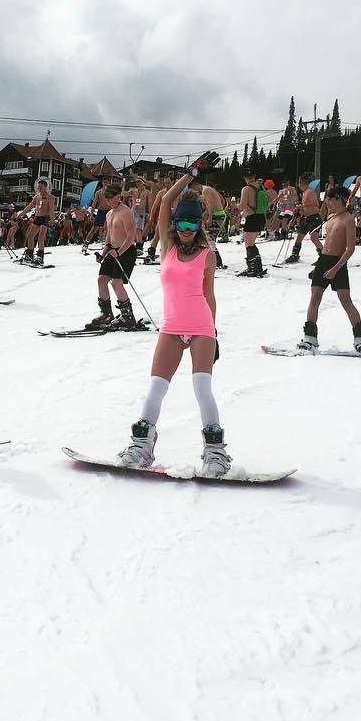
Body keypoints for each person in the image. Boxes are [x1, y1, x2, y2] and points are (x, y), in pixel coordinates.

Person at [117, 152, 232, 477]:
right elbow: (167, 198)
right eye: (180, 222)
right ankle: (142, 446)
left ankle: (215, 452)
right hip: (171, 327)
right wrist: (192, 172)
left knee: (201, 388)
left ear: (200, 224)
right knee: (155, 387)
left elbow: (210, 297)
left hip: (200, 327)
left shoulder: (207, 255)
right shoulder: (167, 246)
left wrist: (214, 332)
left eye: (191, 223)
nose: (184, 229)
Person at [297, 187, 361, 352]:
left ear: (339, 200)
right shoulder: (330, 217)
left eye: (330, 199)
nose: (327, 203)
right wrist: (319, 259)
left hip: (338, 262)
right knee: (315, 297)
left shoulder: (348, 219)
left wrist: (335, 269)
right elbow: (326, 244)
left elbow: (350, 249)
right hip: (324, 260)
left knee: (346, 301)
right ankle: (310, 338)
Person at [88, 184, 140, 329]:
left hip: (126, 251)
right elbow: (109, 237)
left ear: (118, 197)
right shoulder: (109, 213)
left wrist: (119, 252)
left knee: (116, 282)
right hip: (112, 251)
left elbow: (131, 237)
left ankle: (128, 317)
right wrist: (103, 253)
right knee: (101, 280)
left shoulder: (126, 212)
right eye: (106, 199)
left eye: (110, 198)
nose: (108, 201)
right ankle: (106, 314)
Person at [284, 176, 323, 264]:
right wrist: (299, 208)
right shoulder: (305, 192)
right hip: (305, 218)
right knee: (299, 237)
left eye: (298, 183)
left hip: (314, 217)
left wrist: (303, 206)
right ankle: (295, 255)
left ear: (301, 183)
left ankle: (324, 257)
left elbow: (316, 204)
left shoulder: (310, 192)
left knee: (314, 238)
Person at [239, 172, 268, 276]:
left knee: (248, 243)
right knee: (251, 243)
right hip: (260, 217)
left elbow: (242, 205)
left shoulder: (246, 189)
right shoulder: (261, 187)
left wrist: (234, 206)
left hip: (252, 218)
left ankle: (253, 269)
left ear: (245, 177)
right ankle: (257, 266)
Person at [20, 179, 55, 264]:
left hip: (45, 218)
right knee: (30, 236)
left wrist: (52, 219)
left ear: (45, 187)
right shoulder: (37, 196)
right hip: (37, 217)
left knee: (41, 237)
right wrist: (21, 214)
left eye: (41, 186)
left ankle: (40, 256)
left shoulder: (50, 197)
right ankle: (30, 254)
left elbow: (51, 209)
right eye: (38, 186)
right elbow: (29, 206)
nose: (39, 188)